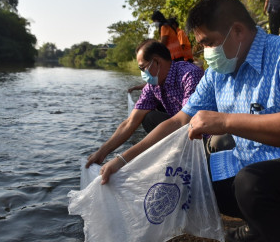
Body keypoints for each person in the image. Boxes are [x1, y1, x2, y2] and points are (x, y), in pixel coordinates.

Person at [99, 0, 280, 242]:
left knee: (252, 184)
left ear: (237, 31)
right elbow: (179, 120)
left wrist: (225, 121)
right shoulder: (218, 74)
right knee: (191, 179)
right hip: (253, 163)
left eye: (210, 43)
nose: (207, 54)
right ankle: (260, 226)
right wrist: (123, 160)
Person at [85, 39, 203, 168]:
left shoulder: (189, 75)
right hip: (181, 128)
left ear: (157, 62)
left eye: (143, 68)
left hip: (201, 133)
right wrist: (102, 152)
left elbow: (182, 122)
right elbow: (131, 121)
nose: (143, 74)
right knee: (148, 118)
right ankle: (175, 152)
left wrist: (123, 159)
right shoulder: (153, 85)